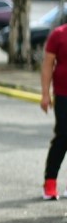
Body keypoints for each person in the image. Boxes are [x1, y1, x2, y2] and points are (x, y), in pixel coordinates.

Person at [41, 23, 67, 200]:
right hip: (63, 94)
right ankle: (50, 182)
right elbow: (48, 64)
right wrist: (45, 94)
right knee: (63, 136)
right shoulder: (59, 34)